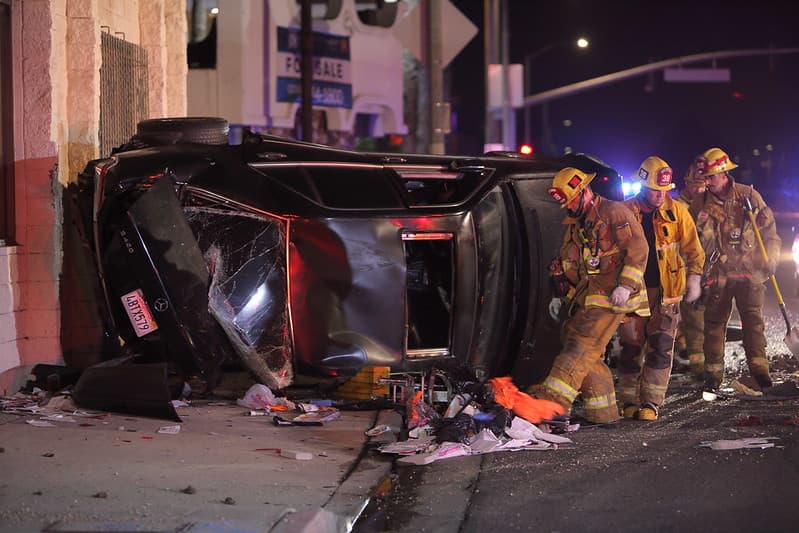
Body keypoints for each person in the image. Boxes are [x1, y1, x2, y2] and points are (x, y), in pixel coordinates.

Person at [537, 167, 649, 425]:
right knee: (579, 344)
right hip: (590, 296)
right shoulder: (576, 223)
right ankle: (603, 412)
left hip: (612, 296)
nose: (569, 207)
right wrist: (561, 288)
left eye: (571, 200)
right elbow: (575, 262)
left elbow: (638, 249)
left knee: (581, 345)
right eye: (565, 203)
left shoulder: (614, 212)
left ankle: (551, 407)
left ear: (585, 191)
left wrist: (625, 286)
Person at [618, 156, 705, 420]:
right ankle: (628, 401)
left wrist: (694, 278)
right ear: (643, 186)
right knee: (631, 349)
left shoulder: (677, 212)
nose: (660, 195)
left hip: (666, 294)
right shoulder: (624, 211)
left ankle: (651, 403)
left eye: (664, 190)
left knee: (661, 347)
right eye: (655, 190)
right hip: (635, 293)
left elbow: (694, 249)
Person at [689, 147, 780, 392]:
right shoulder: (700, 203)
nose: (707, 182)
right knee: (714, 325)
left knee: (753, 322)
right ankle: (713, 377)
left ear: (723, 174)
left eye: (711, 177)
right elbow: (691, 240)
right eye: (705, 177)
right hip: (717, 274)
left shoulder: (749, 197)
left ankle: (760, 373)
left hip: (749, 272)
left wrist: (770, 260)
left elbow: (769, 233)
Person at [673, 156, 708, 378]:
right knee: (693, 322)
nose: (699, 190)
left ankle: (686, 356)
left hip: (704, 270)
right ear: (687, 183)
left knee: (700, 322)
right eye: (695, 184)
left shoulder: (708, 205)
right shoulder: (679, 208)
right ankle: (699, 368)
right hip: (684, 271)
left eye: (702, 185)